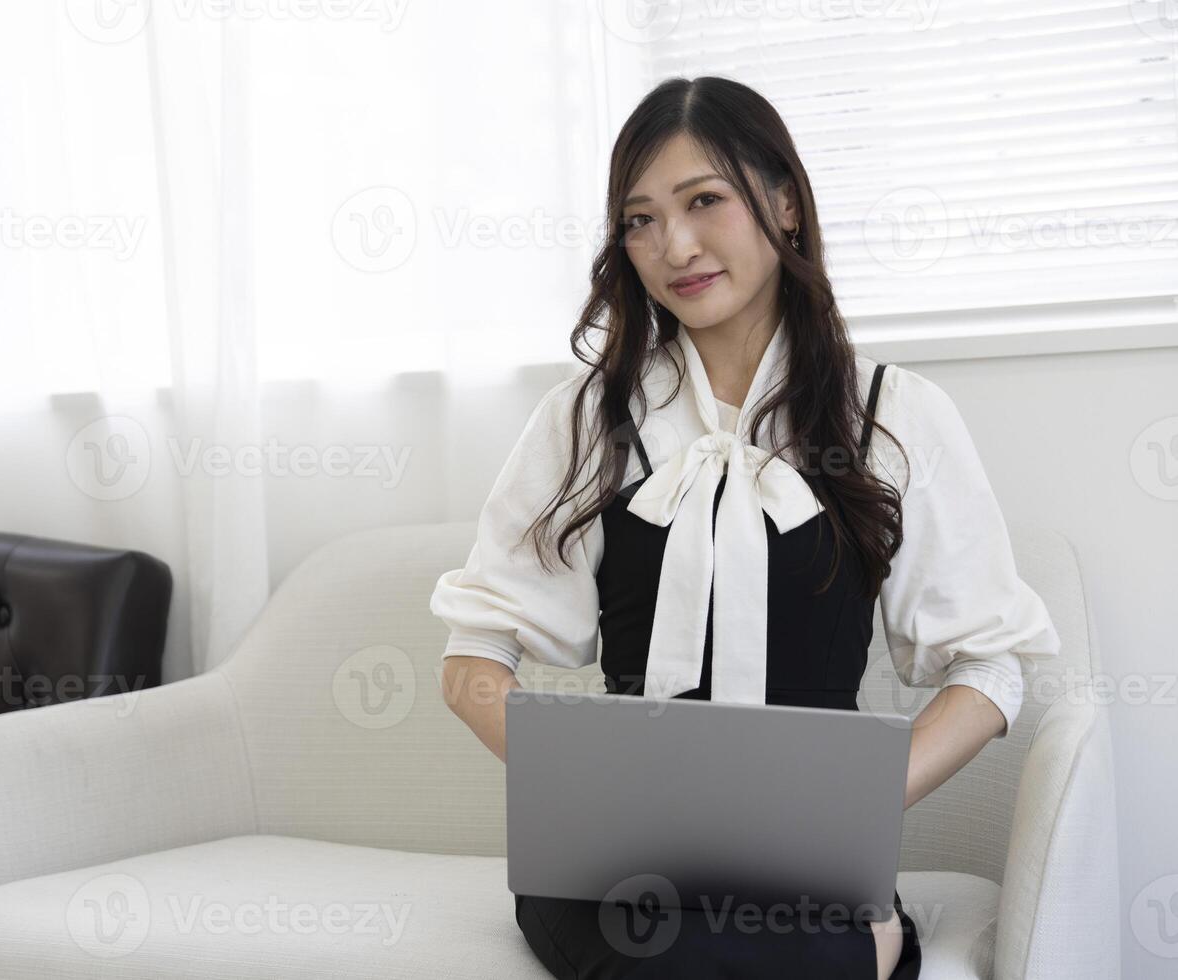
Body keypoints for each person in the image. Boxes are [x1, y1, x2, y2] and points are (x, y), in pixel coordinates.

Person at [429, 75, 1060, 980]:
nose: (673, 244)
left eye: (704, 201)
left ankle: (861, 935)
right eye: (639, 220)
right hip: (618, 870)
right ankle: (869, 951)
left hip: (811, 870)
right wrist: (587, 799)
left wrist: (854, 810)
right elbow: (471, 659)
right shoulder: (586, 419)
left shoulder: (892, 415)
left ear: (786, 204)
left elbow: (992, 665)